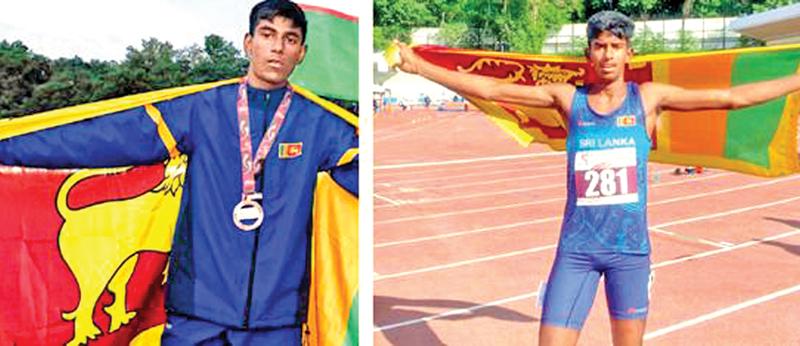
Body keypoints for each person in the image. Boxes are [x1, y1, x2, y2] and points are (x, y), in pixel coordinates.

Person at [394, 10, 800, 346]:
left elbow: (732, 98)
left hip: (630, 254)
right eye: (600, 46)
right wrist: (419, 66)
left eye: (616, 47)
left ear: (629, 53)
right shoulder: (569, 99)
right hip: (576, 252)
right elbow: (491, 87)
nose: (607, 55)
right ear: (589, 52)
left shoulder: (650, 98)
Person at [0, 0, 358, 345]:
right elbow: (102, 136)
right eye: (267, 34)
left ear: (302, 53)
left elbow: (367, 170)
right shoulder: (201, 110)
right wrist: (8, 146)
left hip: (276, 321)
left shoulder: (320, 125)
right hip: (197, 314)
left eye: (290, 39)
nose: (277, 47)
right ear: (248, 43)